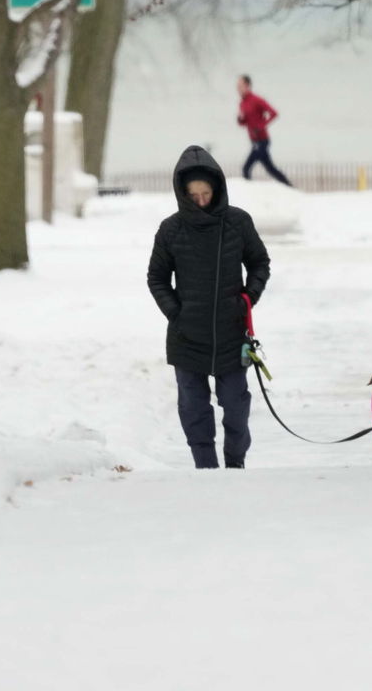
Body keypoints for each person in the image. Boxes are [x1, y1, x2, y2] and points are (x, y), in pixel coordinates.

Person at [147, 146, 271, 469]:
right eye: (194, 195)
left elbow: (259, 263)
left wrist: (247, 298)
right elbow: (156, 277)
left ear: (216, 189)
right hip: (187, 337)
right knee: (194, 407)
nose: (201, 200)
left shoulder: (238, 222)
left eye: (206, 193)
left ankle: (235, 462)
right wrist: (176, 312)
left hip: (231, 333)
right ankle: (205, 468)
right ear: (183, 193)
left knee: (236, 405)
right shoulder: (170, 230)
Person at [237, 74, 293, 186]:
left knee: (246, 168)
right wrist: (240, 119)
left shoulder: (257, 100)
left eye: (240, 86)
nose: (238, 89)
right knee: (270, 168)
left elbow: (274, 113)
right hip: (254, 140)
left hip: (262, 140)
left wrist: (261, 126)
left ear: (248, 86)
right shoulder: (242, 103)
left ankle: (248, 191)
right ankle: (288, 186)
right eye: (237, 86)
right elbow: (244, 123)